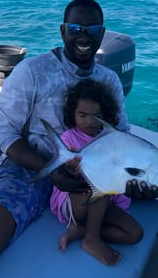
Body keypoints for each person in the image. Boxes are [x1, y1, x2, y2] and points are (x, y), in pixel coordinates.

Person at [0, 0, 158, 277]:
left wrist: (134, 181)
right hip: (28, 168)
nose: (83, 36)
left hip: (89, 173)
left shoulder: (110, 80)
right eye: (76, 28)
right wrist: (50, 171)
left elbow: (121, 138)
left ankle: (83, 231)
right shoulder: (31, 71)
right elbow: (4, 134)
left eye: (92, 29)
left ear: (102, 33)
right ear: (63, 30)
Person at [50, 79, 143, 265]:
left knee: (135, 234)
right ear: (72, 114)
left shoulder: (112, 140)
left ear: (105, 115)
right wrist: (72, 171)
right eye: (82, 115)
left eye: (97, 115)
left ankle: (82, 231)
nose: (90, 121)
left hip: (103, 203)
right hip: (74, 200)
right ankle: (91, 239)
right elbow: (64, 173)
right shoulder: (69, 138)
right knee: (100, 184)